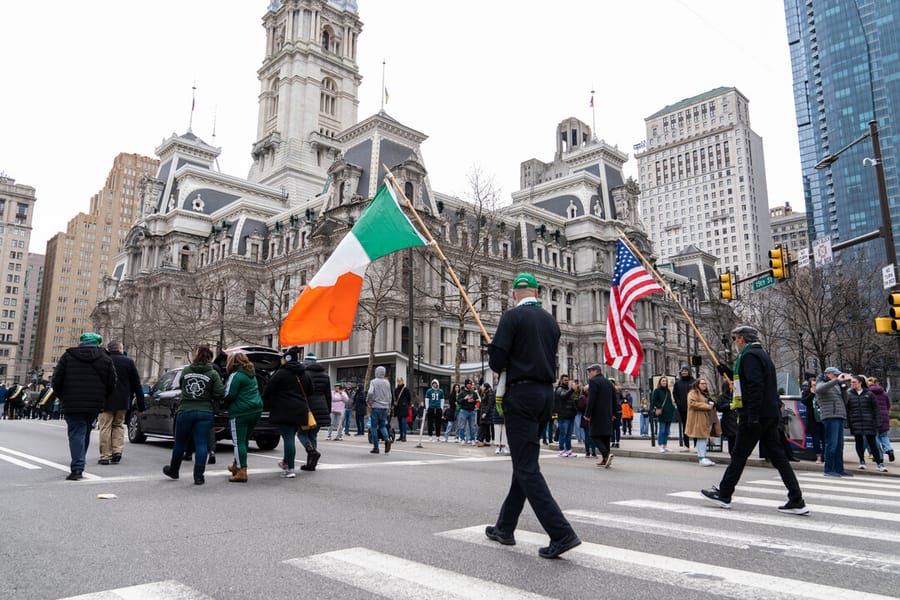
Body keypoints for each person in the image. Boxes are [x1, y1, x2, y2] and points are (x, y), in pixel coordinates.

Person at [486, 272, 580, 559]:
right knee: (524, 464)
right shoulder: (551, 322)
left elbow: (497, 362)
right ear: (537, 292)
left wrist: (495, 348)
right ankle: (505, 527)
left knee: (526, 468)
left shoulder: (511, 317)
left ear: (515, 293)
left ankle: (561, 533)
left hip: (522, 396)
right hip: (545, 396)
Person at [701, 325, 808, 515]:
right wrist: (725, 369)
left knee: (739, 456)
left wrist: (753, 415)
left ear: (742, 339)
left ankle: (725, 494)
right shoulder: (760, 354)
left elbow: (755, 385)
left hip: (755, 415)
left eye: (735, 339)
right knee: (779, 457)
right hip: (768, 414)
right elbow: (751, 381)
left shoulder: (749, 356)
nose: (734, 343)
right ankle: (796, 498)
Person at [52, 332, 117, 481]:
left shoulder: (67, 357)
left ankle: (77, 467)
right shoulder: (105, 358)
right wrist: (102, 398)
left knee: (77, 433)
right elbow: (112, 383)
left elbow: (56, 381)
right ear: (97, 343)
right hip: (94, 404)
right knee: (85, 431)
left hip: (72, 403)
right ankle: (80, 463)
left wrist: (63, 397)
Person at [163, 345, 224, 485]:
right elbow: (219, 392)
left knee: (179, 442)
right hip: (204, 411)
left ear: (196, 356)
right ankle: (198, 476)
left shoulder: (186, 370)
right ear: (210, 358)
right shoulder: (213, 373)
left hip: (186, 410)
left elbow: (181, 384)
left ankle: (174, 470)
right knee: (201, 443)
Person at [264, 347, 313, 478]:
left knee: (288, 438)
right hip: (300, 409)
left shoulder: (281, 373)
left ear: (287, 359)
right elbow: (310, 390)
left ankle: (290, 468)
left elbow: (268, 389)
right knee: (290, 435)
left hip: (283, 409)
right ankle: (286, 462)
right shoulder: (304, 373)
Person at [99, 341, 145, 465]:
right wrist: (141, 406)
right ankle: (117, 451)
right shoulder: (128, 362)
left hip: (105, 400)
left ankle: (105, 455)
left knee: (105, 427)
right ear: (120, 348)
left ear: (109, 349)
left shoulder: (102, 360)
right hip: (123, 400)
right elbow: (137, 385)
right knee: (118, 425)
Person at [223, 351, 264, 482]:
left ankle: (241, 471)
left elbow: (229, 394)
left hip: (240, 411)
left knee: (238, 442)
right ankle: (236, 465)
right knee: (244, 440)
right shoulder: (251, 374)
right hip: (256, 409)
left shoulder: (236, 375)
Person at [816, 366, 851, 477]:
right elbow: (819, 389)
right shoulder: (821, 382)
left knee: (839, 445)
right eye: (835, 375)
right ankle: (829, 469)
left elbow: (844, 401)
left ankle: (839, 469)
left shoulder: (835, 385)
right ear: (828, 374)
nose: (837, 377)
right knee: (832, 444)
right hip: (830, 416)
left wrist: (844, 388)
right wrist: (836, 380)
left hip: (839, 416)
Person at [846, 374, 886, 472]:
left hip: (869, 421)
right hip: (856, 421)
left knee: (872, 443)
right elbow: (847, 409)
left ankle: (879, 463)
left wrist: (877, 421)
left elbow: (876, 409)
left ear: (860, 383)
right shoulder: (849, 394)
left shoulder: (869, 394)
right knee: (859, 441)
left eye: (854, 382)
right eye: (851, 382)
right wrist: (848, 421)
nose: (852, 384)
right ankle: (862, 461)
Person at [299, 352, 331, 470]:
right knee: (313, 435)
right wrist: (328, 411)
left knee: (302, 433)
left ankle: (311, 451)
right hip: (322, 408)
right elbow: (328, 395)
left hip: (308, 408)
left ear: (306, 363)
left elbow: (302, 393)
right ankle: (311, 463)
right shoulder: (325, 375)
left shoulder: (304, 374)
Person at [584, 363, 616, 467]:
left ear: (595, 371)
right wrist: (614, 413)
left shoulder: (593, 381)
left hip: (597, 413)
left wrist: (587, 414)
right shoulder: (608, 382)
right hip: (608, 413)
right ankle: (605, 459)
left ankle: (606, 454)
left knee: (593, 434)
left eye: (590, 371)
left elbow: (591, 399)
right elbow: (614, 399)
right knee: (605, 436)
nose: (588, 374)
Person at [685, 378, 720, 466]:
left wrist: (713, 404)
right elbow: (692, 404)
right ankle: (702, 457)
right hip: (699, 419)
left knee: (704, 438)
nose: (704, 385)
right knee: (701, 438)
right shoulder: (693, 393)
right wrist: (707, 406)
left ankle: (703, 456)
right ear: (697, 384)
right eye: (702, 383)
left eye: (705, 383)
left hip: (708, 418)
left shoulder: (705, 394)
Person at [868, 377, 895, 463]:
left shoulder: (868, 393)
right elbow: (888, 405)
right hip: (884, 416)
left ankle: (879, 456)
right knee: (884, 435)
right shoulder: (883, 393)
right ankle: (889, 449)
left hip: (874, 417)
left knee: (876, 438)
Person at [367, 366, 393, 454]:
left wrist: (369, 401)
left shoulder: (373, 382)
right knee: (382, 426)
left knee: (374, 427)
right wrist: (389, 407)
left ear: (376, 372)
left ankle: (376, 447)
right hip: (385, 407)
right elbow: (390, 396)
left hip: (375, 406)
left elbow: (370, 392)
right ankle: (387, 439)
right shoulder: (387, 382)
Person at [800, 374, 824, 464]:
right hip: (813, 419)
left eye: (816, 384)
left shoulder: (822, 391)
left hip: (822, 417)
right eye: (813, 384)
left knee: (825, 438)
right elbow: (804, 401)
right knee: (816, 439)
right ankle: (818, 456)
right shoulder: (807, 392)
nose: (815, 386)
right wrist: (812, 393)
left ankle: (825, 456)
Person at [651, 376, 676, 452]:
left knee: (667, 431)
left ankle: (665, 445)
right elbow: (654, 401)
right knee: (662, 430)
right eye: (663, 381)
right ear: (660, 382)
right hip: (662, 413)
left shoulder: (668, 391)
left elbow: (669, 401)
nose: (664, 382)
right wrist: (660, 407)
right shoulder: (657, 391)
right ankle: (660, 445)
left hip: (669, 413)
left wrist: (672, 408)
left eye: (665, 381)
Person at [553, 374, 576, 457]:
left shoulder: (567, 390)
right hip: (563, 416)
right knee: (563, 434)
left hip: (570, 415)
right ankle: (561, 450)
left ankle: (569, 450)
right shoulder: (559, 389)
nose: (567, 381)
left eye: (567, 380)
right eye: (565, 380)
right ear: (561, 380)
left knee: (568, 434)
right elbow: (563, 396)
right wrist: (572, 390)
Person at [673, 365, 694, 450]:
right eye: (682, 371)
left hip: (693, 408)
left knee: (694, 426)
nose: (684, 372)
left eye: (686, 371)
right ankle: (686, 444)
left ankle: (696, 444)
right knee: (685, 426)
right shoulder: (678, 383)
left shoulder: (693, 382)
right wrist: (679, 404)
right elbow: (675, 394)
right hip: (683, 408)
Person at [715, 377, 738, 455]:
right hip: (728, 420)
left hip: (737, 419)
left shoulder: (736, 396)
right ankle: (732, 454)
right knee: (732, 439)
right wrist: (729, 405)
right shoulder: (722, 397)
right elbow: (719, 407)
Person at [456, 378, 480, 445]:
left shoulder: (473, 392)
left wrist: (474, 402)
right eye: (468, 384)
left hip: (472, 411)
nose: (470, 385)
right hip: (463, 411)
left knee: (472, 426)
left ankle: (472, 439)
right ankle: (462, 439)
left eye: (470, 384)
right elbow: (458, 402)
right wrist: (465, 399)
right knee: (462, 426)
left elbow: (477, 401)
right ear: (466, 385)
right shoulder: (462, 393)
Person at [394, 376, 411, 442]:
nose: (399, 382)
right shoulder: (396, 389)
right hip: (398, 408)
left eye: (400, 381)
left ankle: (404, 436)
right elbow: (395, 398)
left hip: (404, 407)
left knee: (403, 422)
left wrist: (407, 404)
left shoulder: (406, 389)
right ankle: (401, 435)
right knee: (400, 422)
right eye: (398, 381)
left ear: (402, 381)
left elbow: (409, 398)